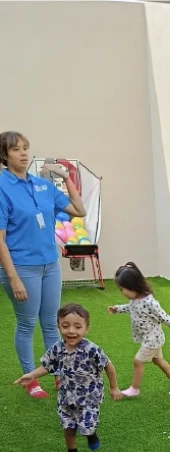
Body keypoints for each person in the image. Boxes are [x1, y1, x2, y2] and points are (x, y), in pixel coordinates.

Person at [0, 131, 86, 399]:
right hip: (21, 268)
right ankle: (30, 379)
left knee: (51, 323)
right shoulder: (2, 187)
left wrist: (66, 178)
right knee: (26, 325)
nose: (23, 153)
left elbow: (78, 210)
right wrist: (13, 278)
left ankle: (59, 375)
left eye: (26, 148)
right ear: (4, 155)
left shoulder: (42, 185)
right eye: (16, 149)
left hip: (50, 265)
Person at [14, 303, 122, 452]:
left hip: (89, 399)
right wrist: (32, 375)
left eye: (77, 327)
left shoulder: (92, 349)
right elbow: (47, 366)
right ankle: (72, 451)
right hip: (66, 397)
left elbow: (108, 366)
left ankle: (91, 434)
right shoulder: (57, 349)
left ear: (86, 329)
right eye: (65, 326)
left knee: (86, 426)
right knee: (68, 427)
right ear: (58, 327)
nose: (71, 330)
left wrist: (114, 388)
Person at [108, 262, 170, 397]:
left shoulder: (150, 302)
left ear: (133, 286)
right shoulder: (135, 300)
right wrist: (117, 309)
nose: (122, 293)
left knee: (138, 362)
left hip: (152, 340)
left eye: (122, 289)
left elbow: (165, 317)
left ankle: (134, 389)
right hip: (150, 338)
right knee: (158, 360)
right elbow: (131, 307)